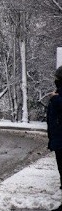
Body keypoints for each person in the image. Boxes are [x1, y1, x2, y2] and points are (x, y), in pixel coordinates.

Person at [47, 66, 62, 199]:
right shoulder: (58, 93)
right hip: (58, 140)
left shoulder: (58, 96)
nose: (55, 80)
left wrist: (55, 99)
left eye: (57, 78)